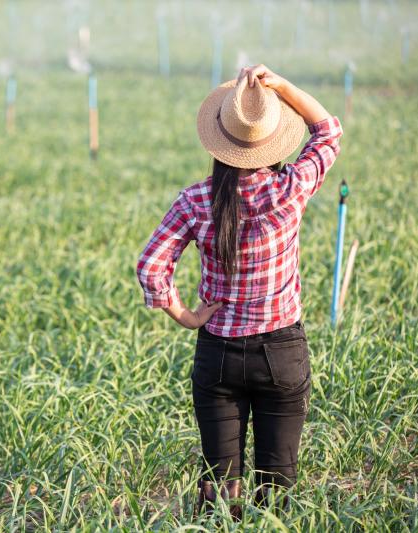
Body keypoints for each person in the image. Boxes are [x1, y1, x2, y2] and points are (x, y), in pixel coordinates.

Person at [136, 64, 343, 521]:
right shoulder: (291, 188)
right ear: (271, 142)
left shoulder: (195, 200)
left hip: (219, 355)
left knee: (218, 486)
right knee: (278, 485)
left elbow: (151, 267)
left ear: (219, 141)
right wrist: (284, 85)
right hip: (282, 352)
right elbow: (329, 132)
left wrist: (187, 316)